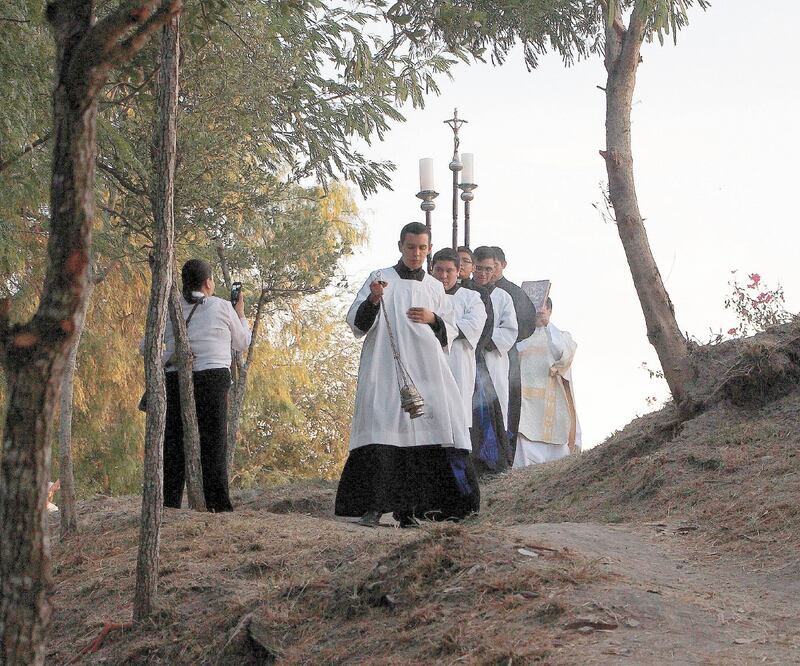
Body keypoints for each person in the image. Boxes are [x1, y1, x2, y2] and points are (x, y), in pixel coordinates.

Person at [335, 223, 480, 526]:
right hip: (384, 367)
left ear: (428, 249)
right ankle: (373, 507)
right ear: (400, 245)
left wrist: (434, 319)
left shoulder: (434, 287)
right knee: (381, 427)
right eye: (411, 247)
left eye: (422, 248)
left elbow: (450, 331)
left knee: (425, 434)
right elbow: (357, 324)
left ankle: (413, 511)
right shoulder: (380, 279)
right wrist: (374, 299)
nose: (416, 253)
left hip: (426, 370)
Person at [159, 259, 251, 512]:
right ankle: (218, 504)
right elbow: (242, 343)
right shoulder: (221, 306)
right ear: (208, 282)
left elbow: (146, 347)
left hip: (176, 378)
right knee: (214, 442)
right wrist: (241, 313)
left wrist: (170, 357)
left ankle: (169, 504)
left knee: (174, 442)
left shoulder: (170, 308)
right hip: (213, 379)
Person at [514, 297, 582, 467]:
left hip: (553, 410)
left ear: (550, 310)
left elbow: (561, 355)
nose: (538, 310)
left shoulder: (562, 336)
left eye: (543, 306)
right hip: (526, 413)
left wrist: (546, 325)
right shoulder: (518, 338)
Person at [469, 246, 517, 473]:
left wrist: (484, 338)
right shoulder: (463, 292)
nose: (483, 273)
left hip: (492, 361)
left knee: (494, 410)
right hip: (466, 360)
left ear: (495, 269)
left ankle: (493, 460)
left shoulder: (503, 297)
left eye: (488, 269)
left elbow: (510, 331)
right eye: (478, 268)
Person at [431, 248, 487, 424]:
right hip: (428, 364)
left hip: (458, 365)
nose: (443, 275)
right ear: (432, 269)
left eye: (449, 271)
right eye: (439, 270)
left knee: (456, 421)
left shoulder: (471, 298)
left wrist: (435, 323)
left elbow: (474, 326)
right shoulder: (423, 294)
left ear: (458, 271)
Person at [491, 246, 537, 446]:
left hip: (504, 355)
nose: (489, 272)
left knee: (504, 402)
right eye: (483, 267)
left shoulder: (512, 293)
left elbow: (527, 324)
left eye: (493, 266)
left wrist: (503, 339)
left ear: (503, 265)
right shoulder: (473, 289)